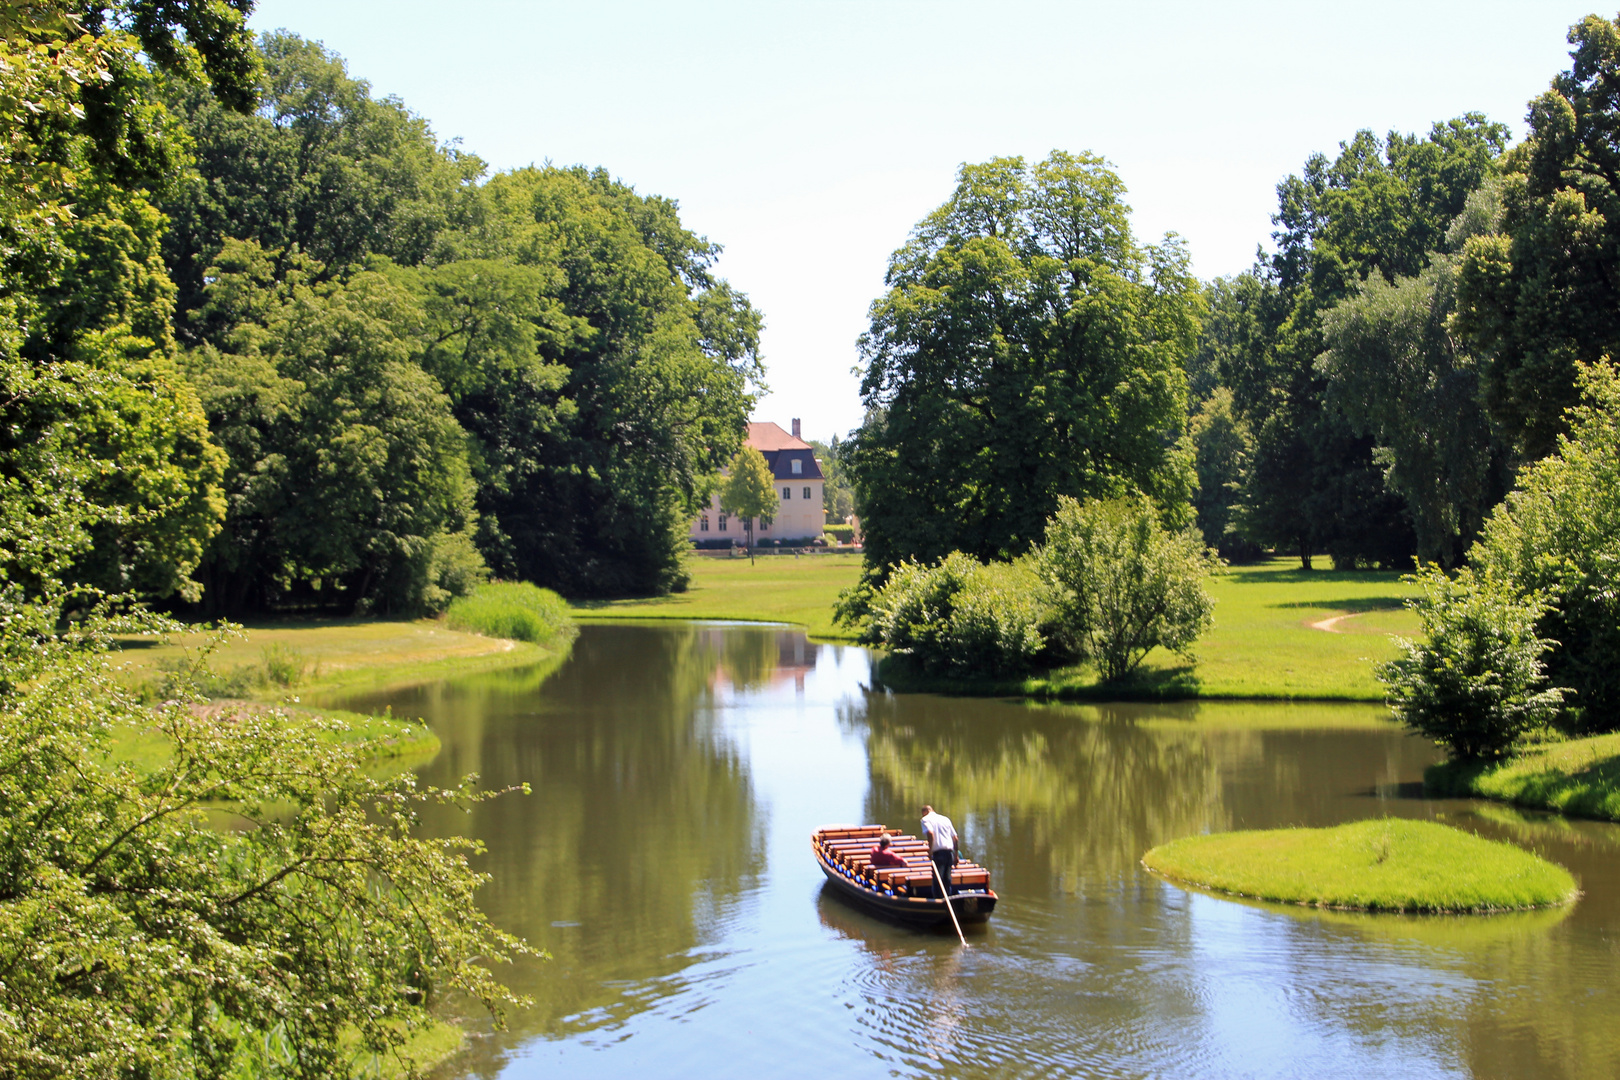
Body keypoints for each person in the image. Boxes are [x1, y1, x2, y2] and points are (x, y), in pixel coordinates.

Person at [920, 804, 959, 897]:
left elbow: (930, 832)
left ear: (924, 813)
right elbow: (955, 838)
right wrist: (956, 855)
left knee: (938, 880)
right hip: (949, 853)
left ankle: (938, 902)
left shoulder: (925, 819)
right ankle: (947, 900)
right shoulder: (945, 819)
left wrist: (930, 850)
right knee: (947, 880)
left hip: (939, 854)